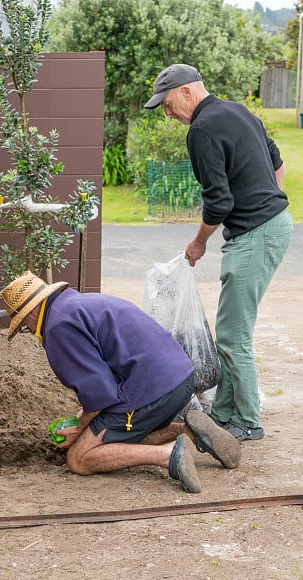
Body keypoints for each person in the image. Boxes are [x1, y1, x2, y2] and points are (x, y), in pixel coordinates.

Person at [144, 63, 293, 442]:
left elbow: (219, 202)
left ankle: (247, 421)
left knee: (232, 335)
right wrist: (268, 201)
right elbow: (277, 163)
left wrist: (198, 243)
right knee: (231, 330)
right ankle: (225, 412)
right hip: (274, 225)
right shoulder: (238, 111)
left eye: (167, 102)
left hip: (255, 235)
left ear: (188, 92)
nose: (167, 111)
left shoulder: (202, 130)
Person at [0, 271, 241, 493]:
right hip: (180, 378)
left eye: (24, 325)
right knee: (120, 439)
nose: (30, 331)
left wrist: (79, 429)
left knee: (79, 458)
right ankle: (189, 431)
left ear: (32, 312)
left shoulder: (57, 327)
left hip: (150, 391)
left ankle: (168, 455)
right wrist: (87, 414)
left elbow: (100, 391)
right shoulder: (77, 304)